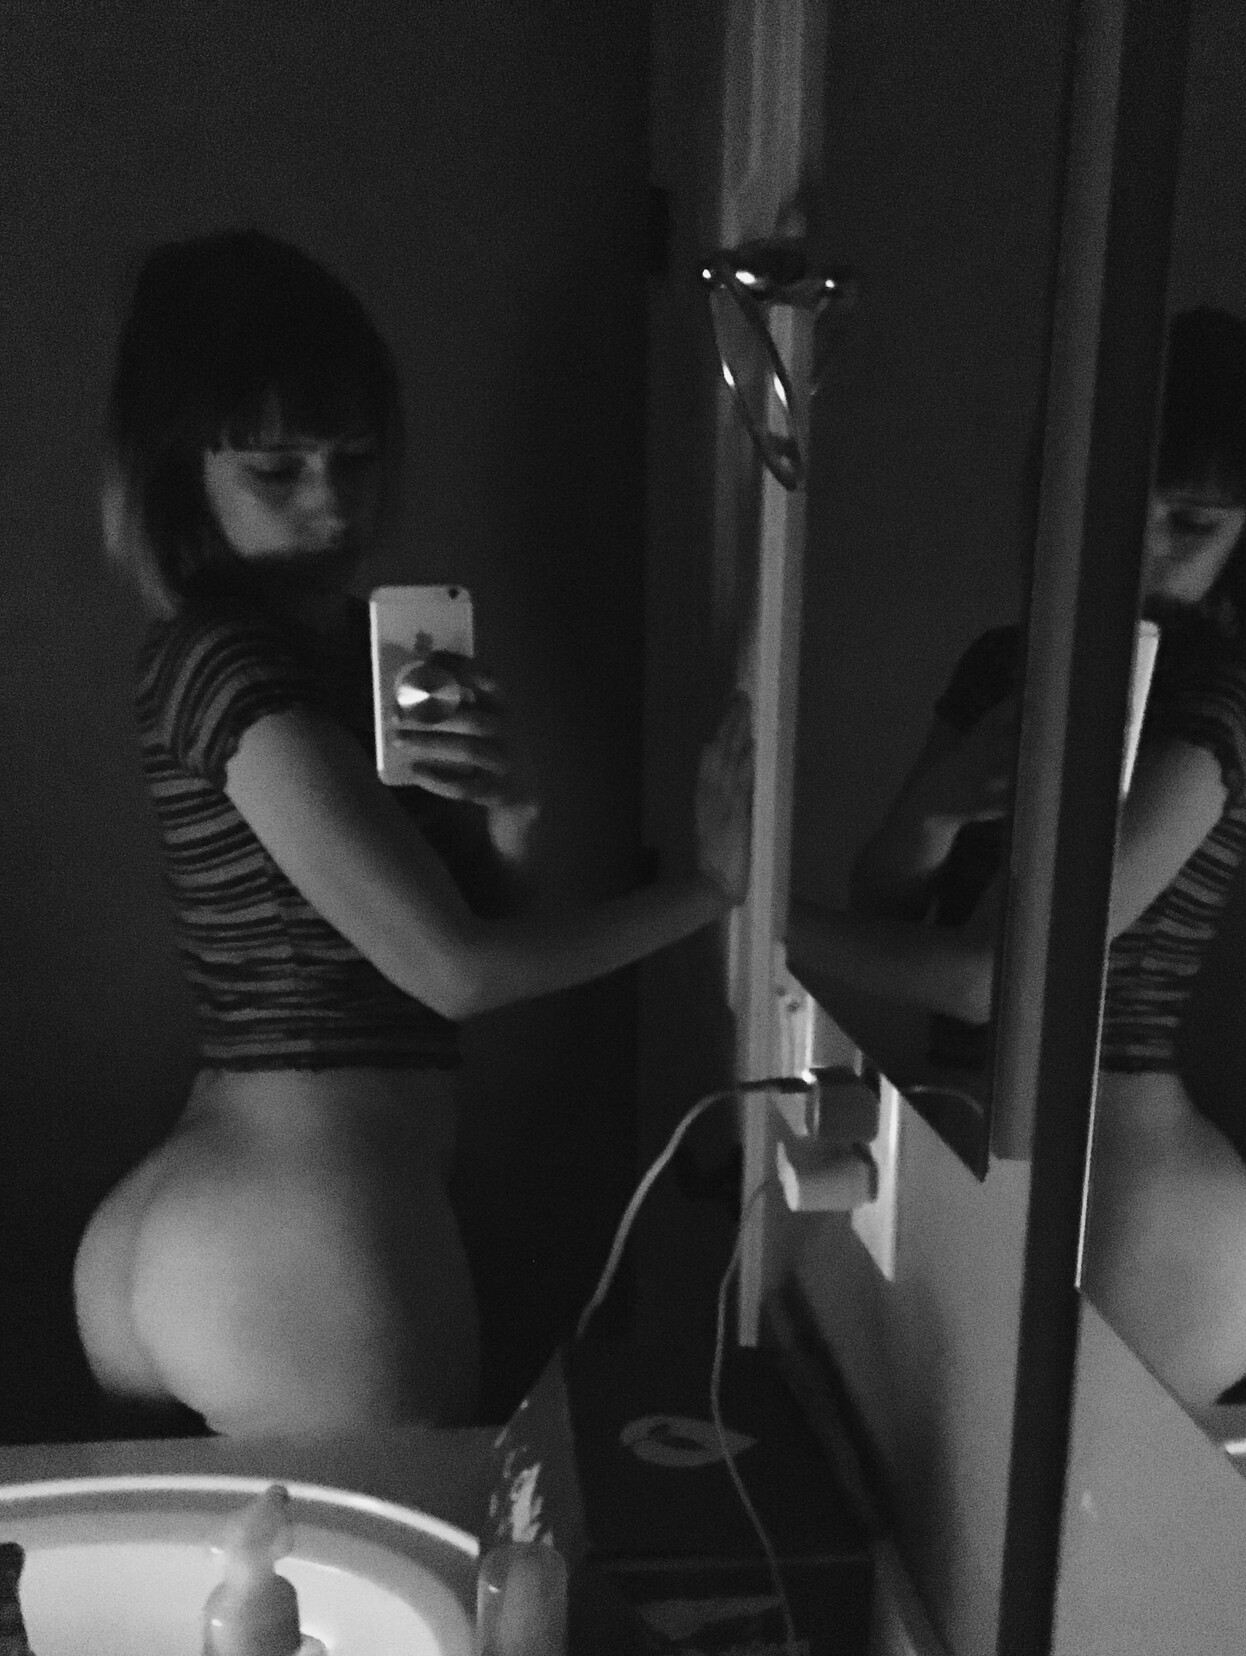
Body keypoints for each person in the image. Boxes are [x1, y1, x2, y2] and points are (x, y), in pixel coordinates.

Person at [73, 228, 754, 1435]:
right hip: (301, 1235)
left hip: (252, 1223)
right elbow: (453, 973)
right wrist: (709, 892)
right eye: (277, 470)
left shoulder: (330, 656)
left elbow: (454, 938)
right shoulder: (223, 659)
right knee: (426, 1552)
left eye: (355, 457)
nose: (332, 500)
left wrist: (510, 813)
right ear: (182, 475)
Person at [789, 306, 1246, 1408]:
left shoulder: (1214, 702)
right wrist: (936, 810)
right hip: (1004, 1142)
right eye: (1123, 502)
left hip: (1141, 1204)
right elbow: (884, 894)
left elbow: (1003, 983)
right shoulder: (1004, 662)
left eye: (1193, 522)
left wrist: (748, 912)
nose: (1145, 546)